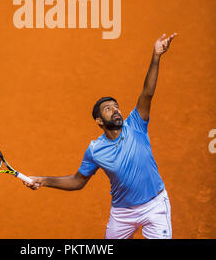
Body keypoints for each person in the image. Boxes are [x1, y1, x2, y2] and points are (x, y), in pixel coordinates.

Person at [23, 33, 177, 239]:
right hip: (122, 214)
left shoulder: (136, 124)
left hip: (155, 206)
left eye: (116, 106)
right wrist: (43, 180)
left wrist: (156, 56)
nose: (115, 110)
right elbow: (78, 181)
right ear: (99, 121)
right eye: (108, 109)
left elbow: (147, 93)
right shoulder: (95, 150)